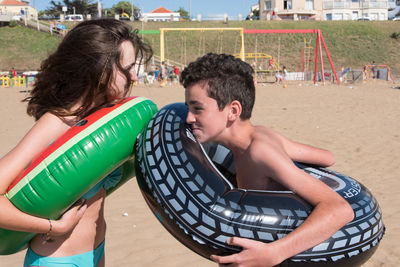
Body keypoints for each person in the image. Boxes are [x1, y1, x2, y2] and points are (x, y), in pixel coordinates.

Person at [0, 19, 152, 267]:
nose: (135, 75)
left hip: (95, 252)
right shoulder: (58, 123)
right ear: (100, 69)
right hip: (58, 260)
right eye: (128, 67)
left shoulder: (103, 120)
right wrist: (54, 226)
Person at [180, 53, 354, 267]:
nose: (188, 118)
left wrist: (275, 253)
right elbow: (328, 157)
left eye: (197, 109)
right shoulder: (262, 134)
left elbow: (339, 208)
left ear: (233, 111)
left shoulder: (259, 153)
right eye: (188, 108)